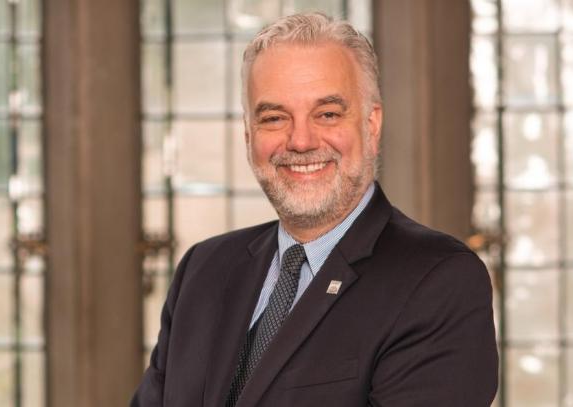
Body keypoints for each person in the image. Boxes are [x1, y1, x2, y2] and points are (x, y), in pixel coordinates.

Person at [132, 12, 498, 407]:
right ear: (248, 135)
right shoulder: (203, 270)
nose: (301, 141)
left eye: (327, 114)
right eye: (274, 118)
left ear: (371, 125)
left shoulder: (438, 281)